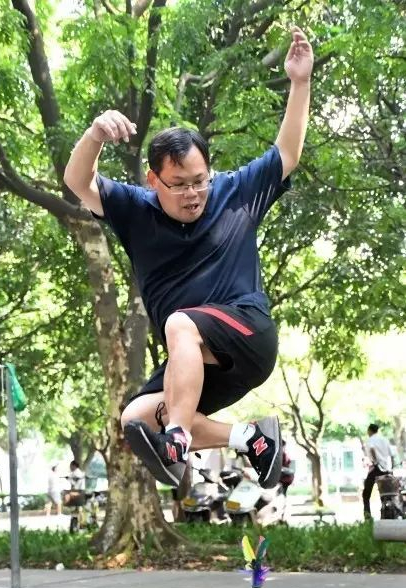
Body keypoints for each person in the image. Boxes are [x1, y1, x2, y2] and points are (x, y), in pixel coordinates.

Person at [64, 27, 313, 490]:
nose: (193, 193)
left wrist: (300, 83)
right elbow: (78, 181)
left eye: (199, 180)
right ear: (153, 180)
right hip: (197, 358)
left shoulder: (235, 192)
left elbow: (287, 152)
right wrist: (96, 134)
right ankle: (251, 439)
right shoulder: (135, 210)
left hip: (248, 332)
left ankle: (177, 436)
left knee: (179, 325)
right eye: (178, 185)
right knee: (136, 419)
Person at [363, 423, 395, 520]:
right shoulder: (384, 439)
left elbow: (372, 449)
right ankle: (386, 515)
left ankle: (367, 515)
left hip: (376, 468)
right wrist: (391, 468)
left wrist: (376, 461)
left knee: (366, 493)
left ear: (369, 430)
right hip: (386, 470)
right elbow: (392, 455)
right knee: (385, 494)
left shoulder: (370, 440)